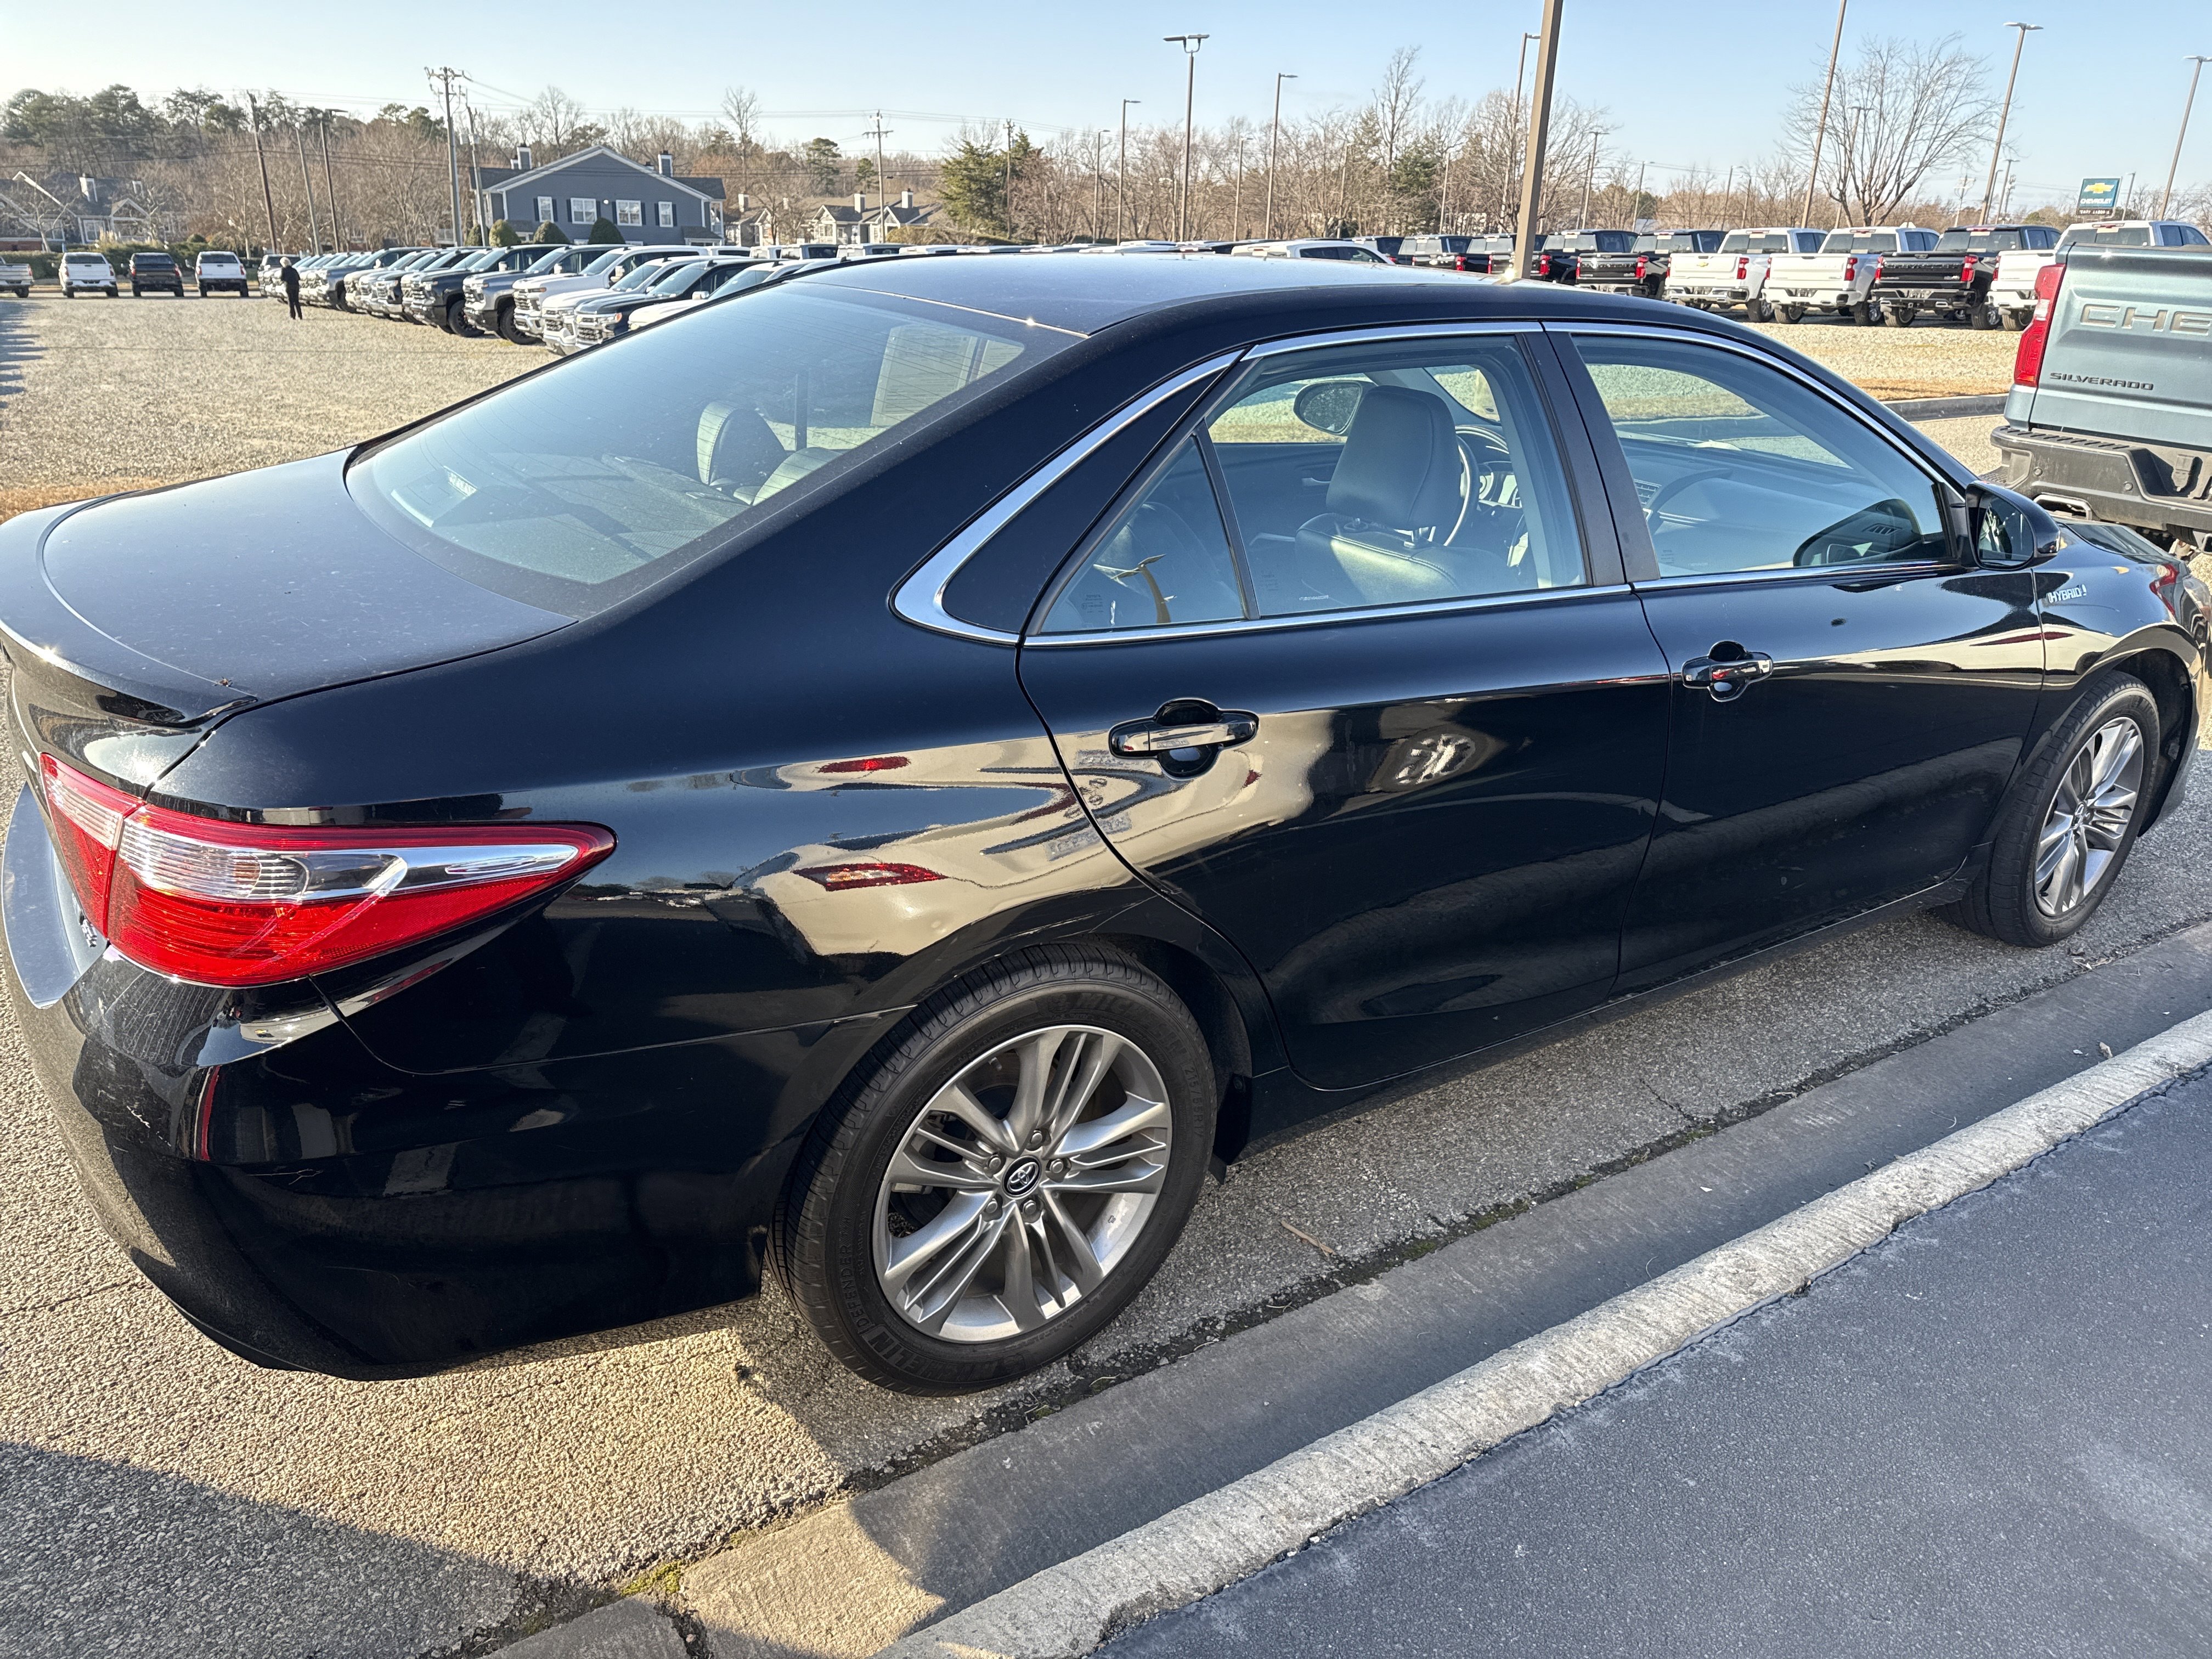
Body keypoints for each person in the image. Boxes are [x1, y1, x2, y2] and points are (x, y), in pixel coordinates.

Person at [279, 256, 301, 320]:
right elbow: (298, 278)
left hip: (289, 286)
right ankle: (300, 315)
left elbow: (282, 278)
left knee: (291, 301)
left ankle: (293, 316)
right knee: (297, 301)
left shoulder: (284, 270)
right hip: (296, 286)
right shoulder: (294, 270)